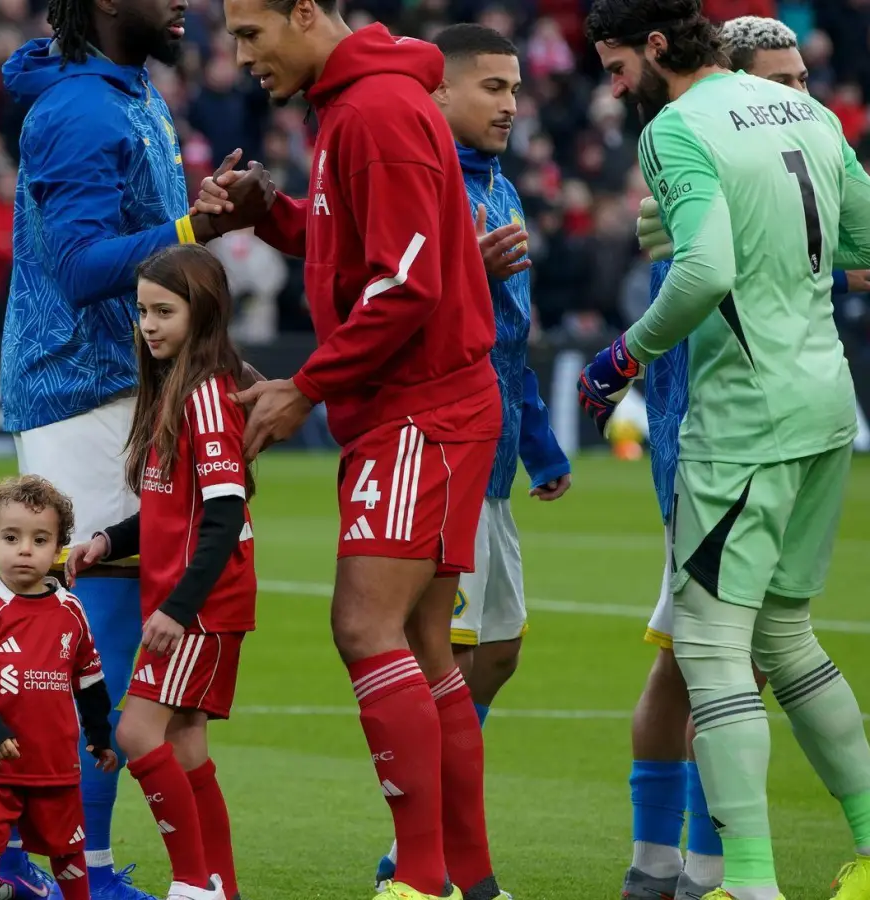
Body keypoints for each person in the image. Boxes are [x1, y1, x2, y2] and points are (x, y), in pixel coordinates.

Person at [217, 1, 507, 898]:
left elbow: (407, 286)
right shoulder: (353, 105)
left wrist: (307, 384)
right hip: (427, 403)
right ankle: (471, 879)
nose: (240, 56)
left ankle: (420, 882)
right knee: (423, 642)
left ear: (305, 12)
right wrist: (274, 215)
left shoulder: (376, 111)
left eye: (251, 32)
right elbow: (357, 251)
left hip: (422, 407)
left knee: (364, 627)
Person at [581, 2, 870, 898]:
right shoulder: (807, 112)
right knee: (784, 637)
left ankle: (748, 884)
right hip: (826, 404)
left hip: (745, 418)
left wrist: (618, 360)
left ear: (658, 47)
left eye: (619, 64)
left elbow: (704, 272)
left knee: (709, 646)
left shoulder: (676, 129)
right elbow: (860, 238)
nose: (613, 84)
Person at [0, 0, 269, 894]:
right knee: (103, 642)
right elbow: (79, 270)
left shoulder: (130, 92)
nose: (185, 4)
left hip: (130, 383)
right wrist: (193, 231)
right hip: (83, 388)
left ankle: (60, 857)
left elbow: (139, 251)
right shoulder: (78, 110)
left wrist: (194, 228)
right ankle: (70, 864)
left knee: (115, 647)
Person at [359, 24, 572, 891]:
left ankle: (438, 834)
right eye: (492, 88)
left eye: (517, 88)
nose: (512, 104)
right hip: (438, 447)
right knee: (437, 656)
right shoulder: (428, 184)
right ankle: (420, 853)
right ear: (437, 93)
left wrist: (538, 438)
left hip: (493, 449)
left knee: (501, 651)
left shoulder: (503, 190)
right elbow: (393, 307)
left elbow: (509, 338)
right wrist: (462, 275)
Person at [67, 244, 257, 900]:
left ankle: (190, 885)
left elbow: (226, 514)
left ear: (201, 313)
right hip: (201, 598)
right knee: (186, 748)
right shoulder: (178, 386)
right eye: (143, 310)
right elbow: (169, 511)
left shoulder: (206, 395)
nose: (149, 324)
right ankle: (219, 887)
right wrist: (105, 540)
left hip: (199, 603)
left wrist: (178, 608)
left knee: (135, 731)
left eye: (164, 311)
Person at [0, 475, 118, 900]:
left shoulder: (71, 611)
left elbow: (89, 679)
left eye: (40, 539)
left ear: (57, 548)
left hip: (54, 760)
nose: (25, 549)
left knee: (68, 850)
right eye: (11, 537)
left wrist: (99, 735)